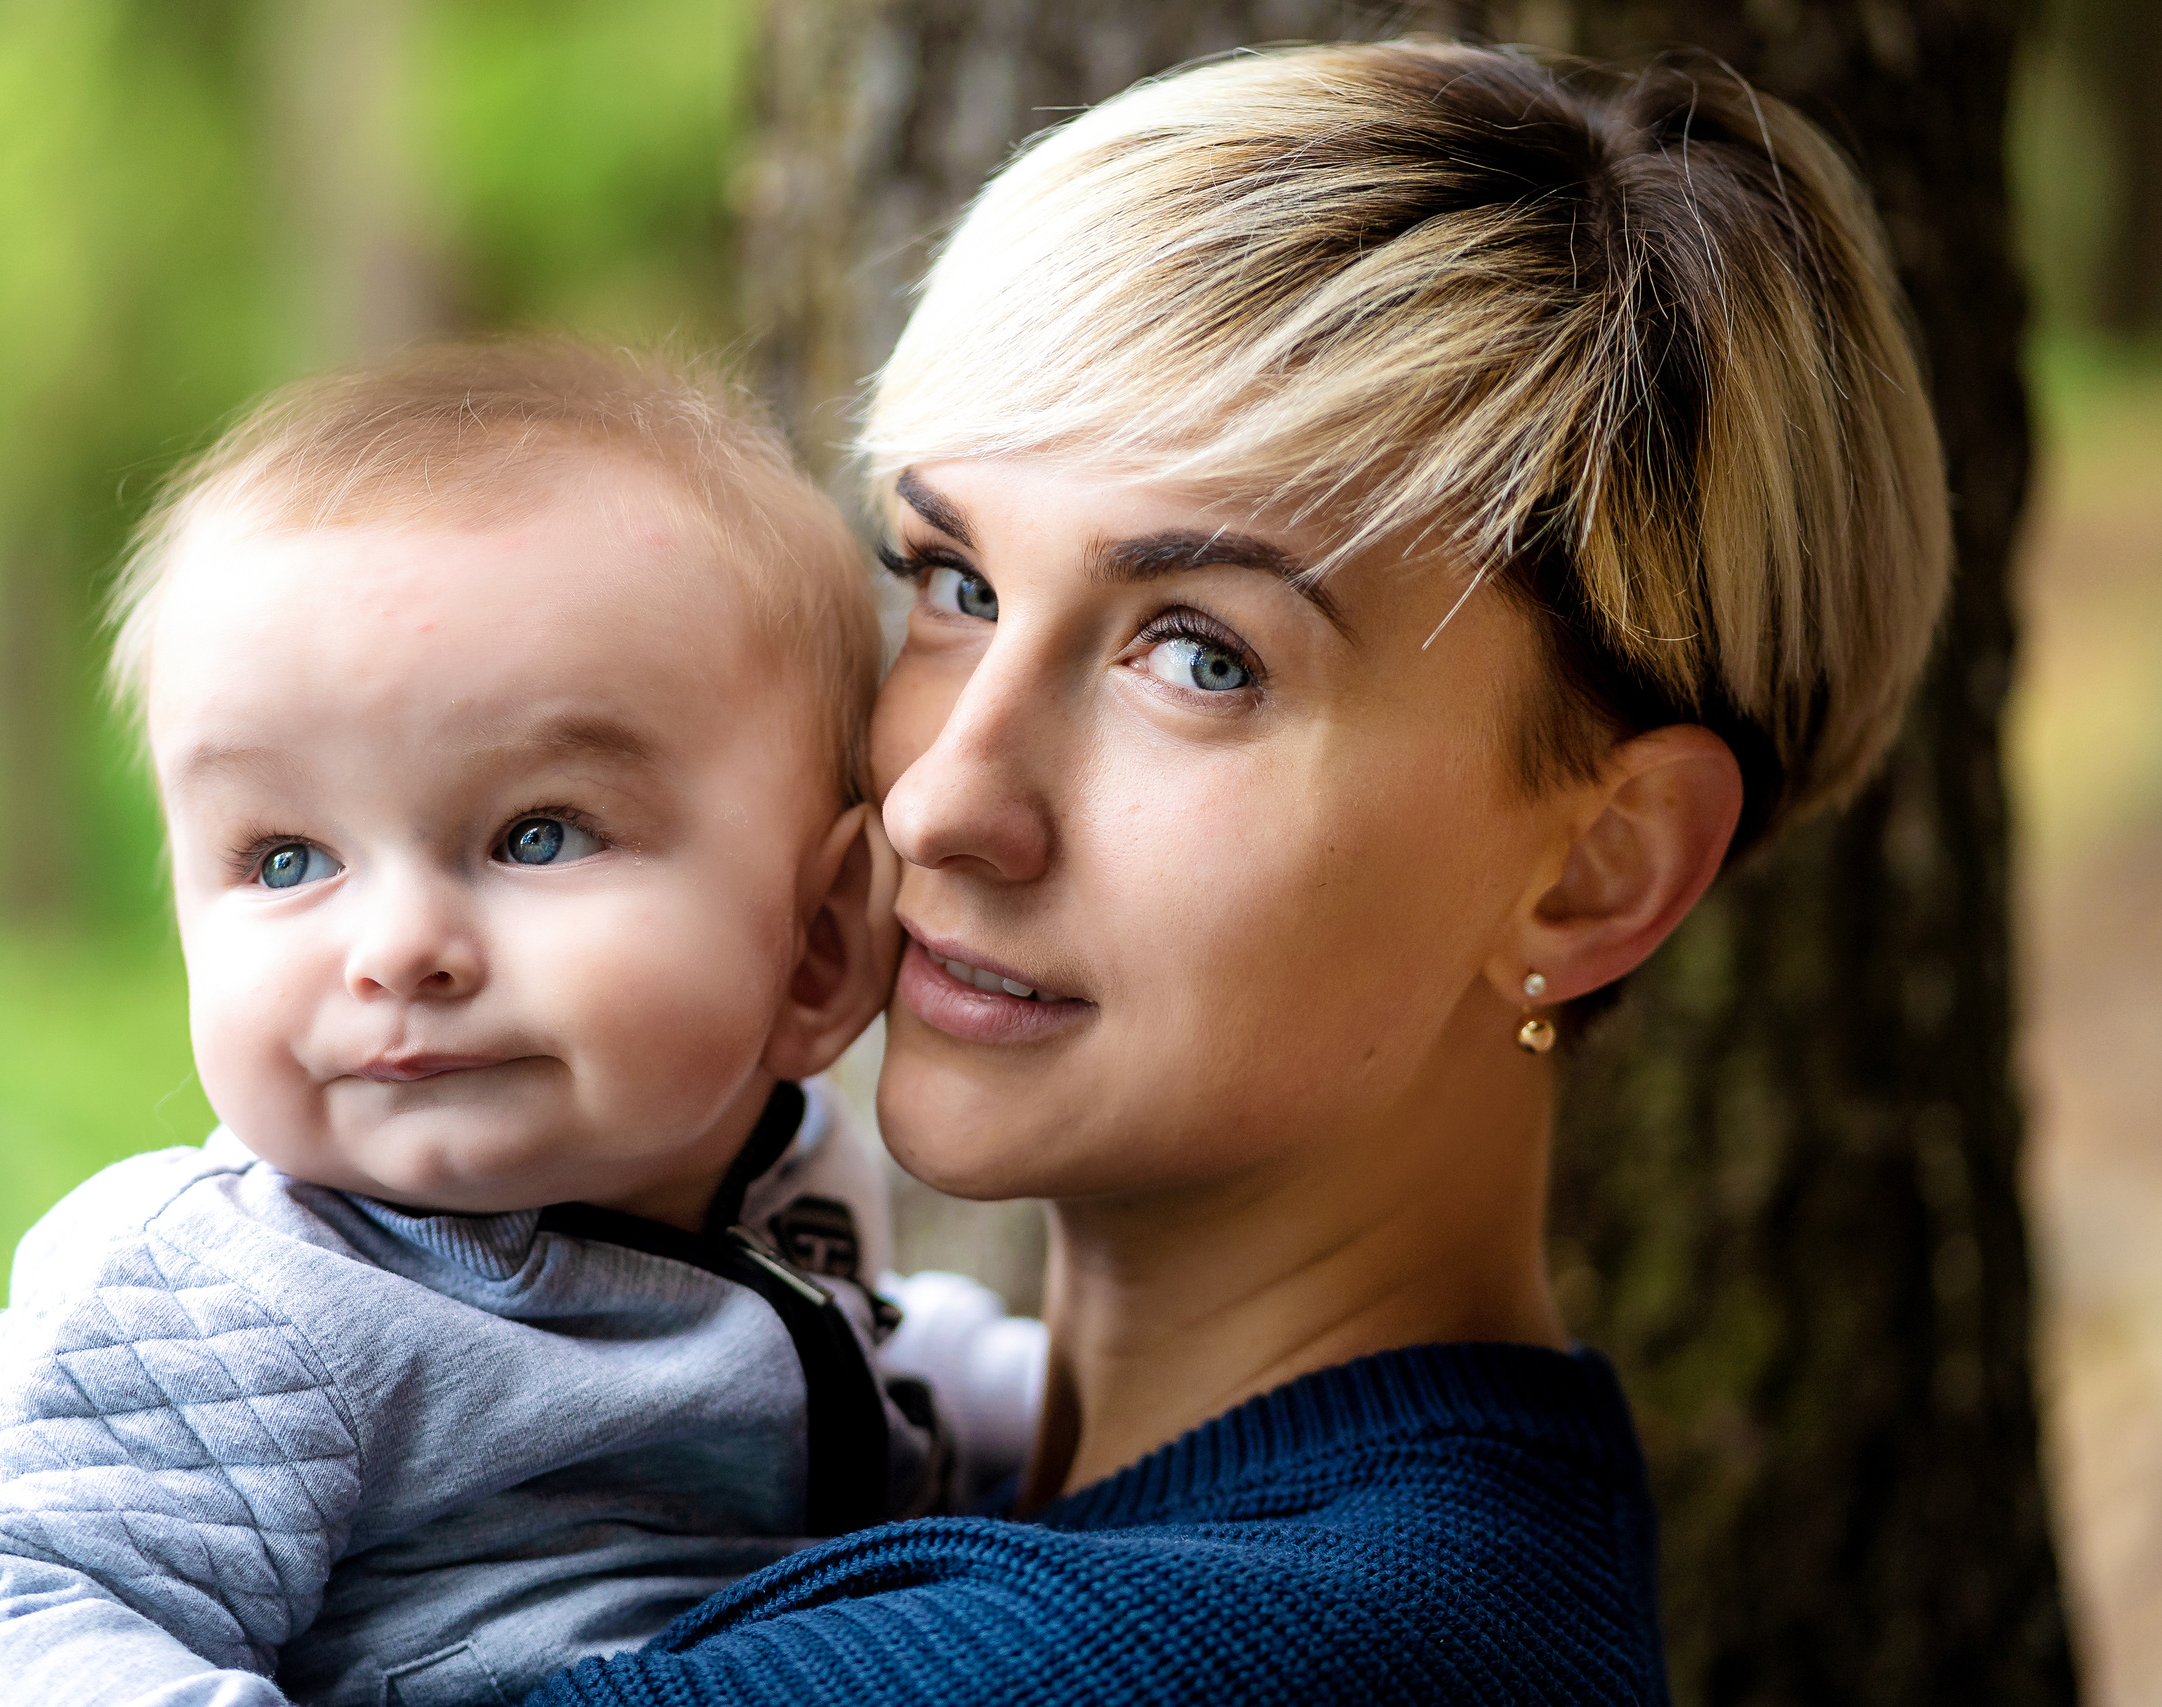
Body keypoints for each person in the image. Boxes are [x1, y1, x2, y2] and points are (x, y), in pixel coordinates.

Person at [522, 38, 1949, 1705]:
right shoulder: (928, 1452)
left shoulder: (1235, 1654)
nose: (943, 802)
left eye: (1200, 658)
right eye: (956, 583)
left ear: (1596, 873)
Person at [0, 344, 1038, 1707]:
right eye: (288, 858)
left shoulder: (780, 1168)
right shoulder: (239, 1300)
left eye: (535, 835)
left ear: (819, 944)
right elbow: (8, 1616)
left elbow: (846, 1347)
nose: (396, 950)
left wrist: (1043, 1388)